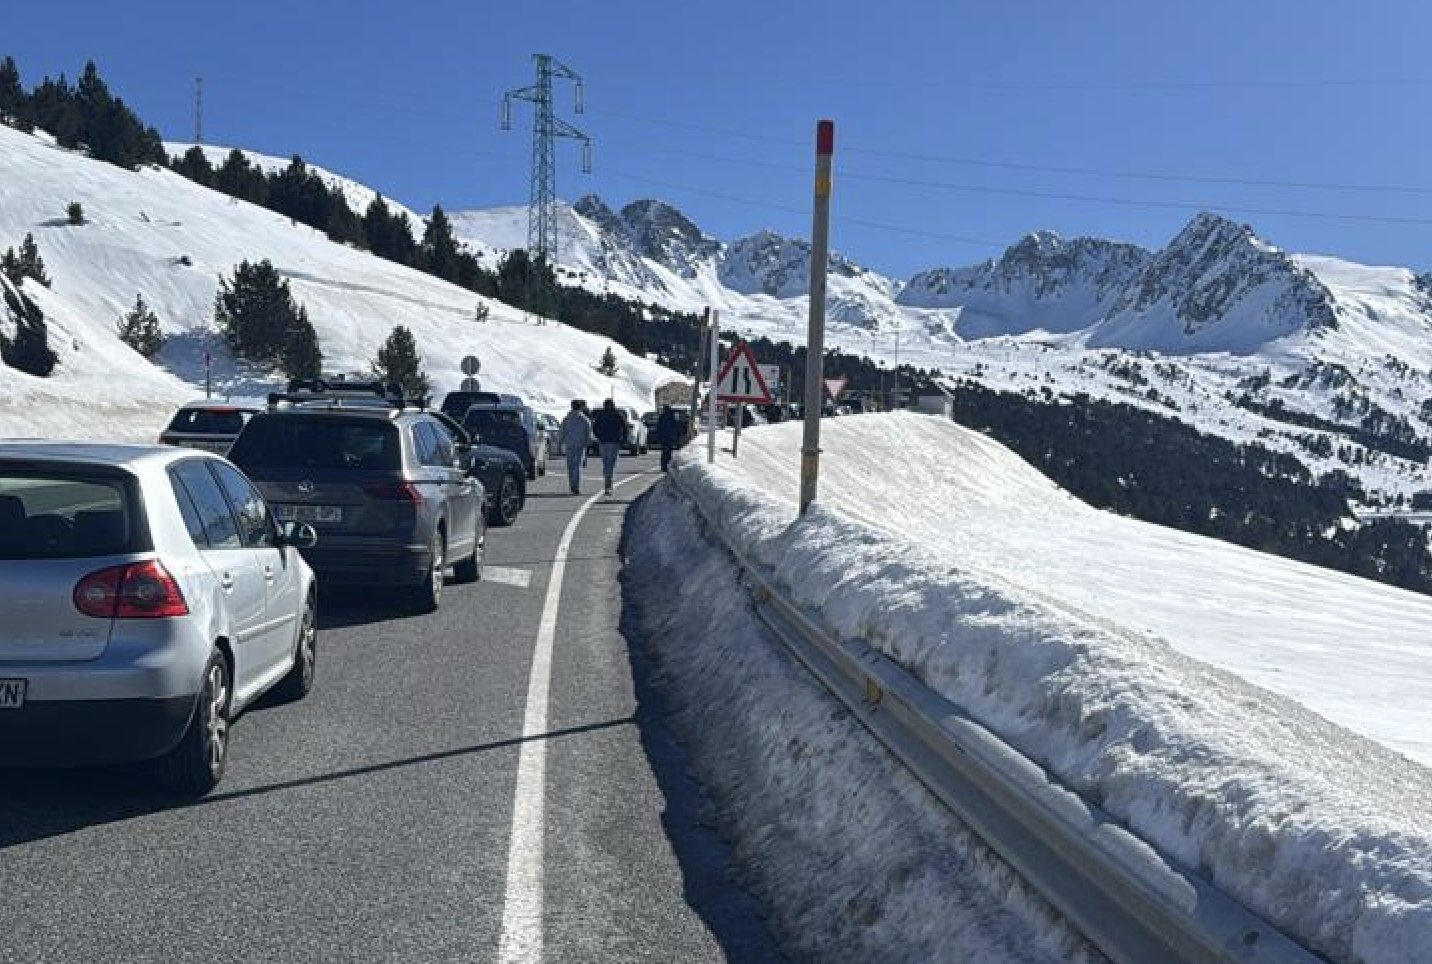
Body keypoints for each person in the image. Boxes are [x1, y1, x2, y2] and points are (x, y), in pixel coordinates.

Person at [591, 398, 628, 495]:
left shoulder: (601, 415)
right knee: (611, 463)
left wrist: (599, 436)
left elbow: (595, 428)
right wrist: (623, 440)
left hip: (605, 442)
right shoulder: (618, 415)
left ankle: (608, 482)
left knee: (606, 462)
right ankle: (608, 483)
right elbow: (625, 428)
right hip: (613, 442)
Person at [559, 399, 593, 494]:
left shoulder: (567, 418)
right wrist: (587, 443)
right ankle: (576, 486)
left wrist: (560, 442)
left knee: (570, 466)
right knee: (577, 466)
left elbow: (562, 431)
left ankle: (572, 485)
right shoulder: (584, 419)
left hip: (569, 444)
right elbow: (588, 432)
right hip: (580, 445)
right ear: (580, 407)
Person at [655, 404, 680, 472]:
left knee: (664, 452)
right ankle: (667, 466)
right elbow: (676, 427)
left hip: (665, 438)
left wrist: (658, 437)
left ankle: (664, 466)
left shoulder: (663, 417)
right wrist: (676, 437)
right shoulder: (672, 417)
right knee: (668, 452)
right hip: (669, 438)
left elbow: (659, 428)